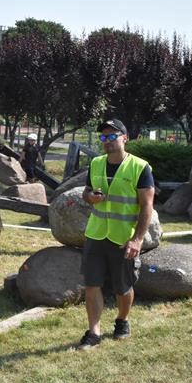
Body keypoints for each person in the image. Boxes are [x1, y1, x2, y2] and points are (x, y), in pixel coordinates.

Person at [78, 118, 154, 350]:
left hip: (123, 238)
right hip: (96, 235)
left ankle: (122, 320)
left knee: (123, 287)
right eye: (103, 137)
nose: (107, 140)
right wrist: (90, 197)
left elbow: (147, 205)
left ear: (125, 138)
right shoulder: (96, 163)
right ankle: (94, 332)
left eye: (112, 136)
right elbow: (86, 192)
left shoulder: (140, 167)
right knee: (92, 284)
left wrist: (137, 239)